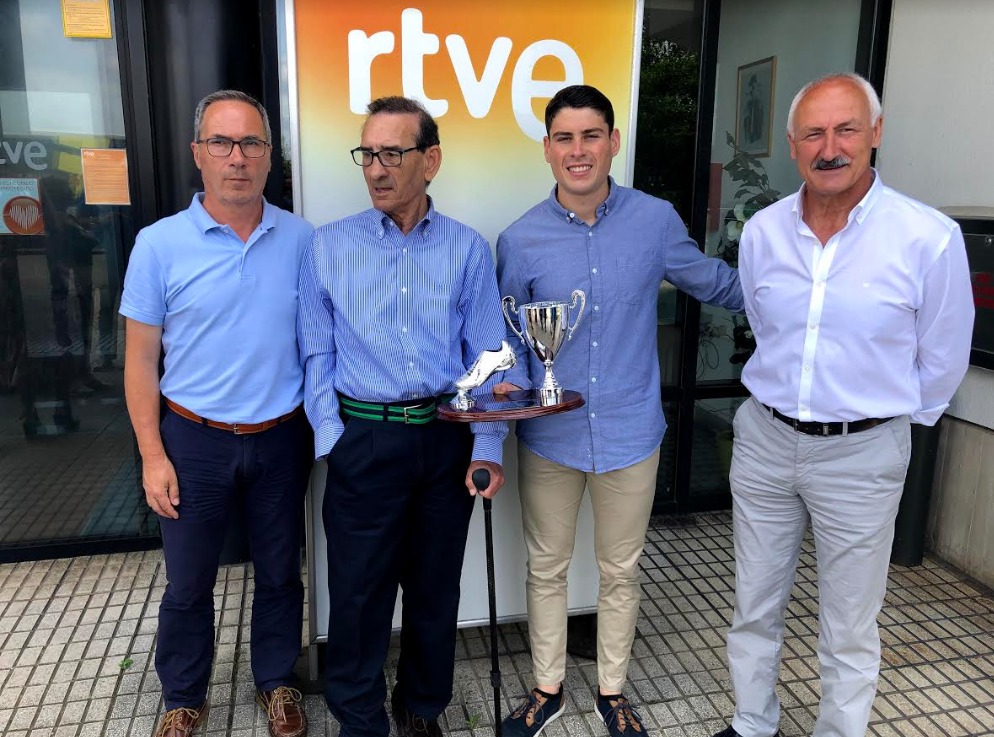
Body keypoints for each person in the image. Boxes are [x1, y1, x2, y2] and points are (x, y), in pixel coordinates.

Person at [712, 73, 974, 737]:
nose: (829, 148)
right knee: (753, 603)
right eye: (813, 133)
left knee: (849, 623)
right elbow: (766, 330)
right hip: (766, 440)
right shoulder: (763, 232)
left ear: (875, 133)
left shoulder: (928, 237)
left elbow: (944, 357)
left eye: (846, 129)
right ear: (793, 145)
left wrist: (882, 427)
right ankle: (752, 723)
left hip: (863, 452)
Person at [494, 84, 743, 737]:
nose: (578, 150)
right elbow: (509, 338)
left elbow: (712, 281)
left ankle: (612, 691)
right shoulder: (519, 239)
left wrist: (797, 288)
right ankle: (547, 689)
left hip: (631, 431)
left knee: (621, 570)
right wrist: (511, 387)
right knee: (546, 568)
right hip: (550, 436)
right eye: (565, 138)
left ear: (613, 142)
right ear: (547, 148)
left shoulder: (654, 221)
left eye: (590, 136)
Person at [297, 96, 507, 737]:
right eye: (368, 154)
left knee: (435, 588)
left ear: (430, 160)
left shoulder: (467, 248)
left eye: (393, 153)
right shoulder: (328, 246)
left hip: (445, 438)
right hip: (364, 438)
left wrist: (486, 447)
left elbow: (489, 356)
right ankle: (360, 717)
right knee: (358, 593)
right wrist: (335, 441)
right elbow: (316, 354)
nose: (376, 169)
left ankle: (420, 706)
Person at [121, 89, 314, 737]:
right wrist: (152, 454)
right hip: (192, 441)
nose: (238, 157)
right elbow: (139, 360)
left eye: (251, 142)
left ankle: (277, 681)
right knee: (188, 582)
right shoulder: (158, 244)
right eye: (222, 143)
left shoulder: (302, 239)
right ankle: (183, 695)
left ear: (269, 154)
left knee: (281, 572)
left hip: (281, 437)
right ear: (198, 152)